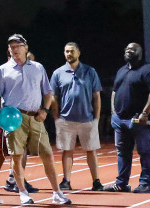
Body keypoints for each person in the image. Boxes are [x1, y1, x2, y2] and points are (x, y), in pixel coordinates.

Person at [0, 34, 69, 206]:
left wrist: (45, 110)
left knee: (48, 154)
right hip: (13, 118)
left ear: (26, 47)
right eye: (11, 47)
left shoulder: (38, 67)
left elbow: (47, 92)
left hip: (35, 116)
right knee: (17, 156)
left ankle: (57, 193)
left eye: (18, 45)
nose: (15, 49)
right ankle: (22, 193)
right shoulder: (3, 70)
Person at [105, 43, 150, 193]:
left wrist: (145, 113)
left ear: (140, 52)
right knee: (122, 152)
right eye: (127, 48)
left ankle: (145, 184)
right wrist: (113, 113)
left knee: (145, 151)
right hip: (120, 120)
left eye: (133, 49)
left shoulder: (149, 71)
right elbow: (114, 92)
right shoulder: (121, 71)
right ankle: (122, 183)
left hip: (140, 121)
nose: (129, 50)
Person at [48, 43, 102, 192]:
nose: (68, 54)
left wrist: (96, 118)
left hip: (87, 118)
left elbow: (96, 96)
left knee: (91, 150)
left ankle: (96, 181)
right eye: (66, 51)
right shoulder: (58, 73)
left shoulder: (90, 71)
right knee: (67, 150)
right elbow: (54, 97)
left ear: (78, 52)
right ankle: (66, 180)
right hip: (66, 119)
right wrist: (56, 118)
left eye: (71, 51)